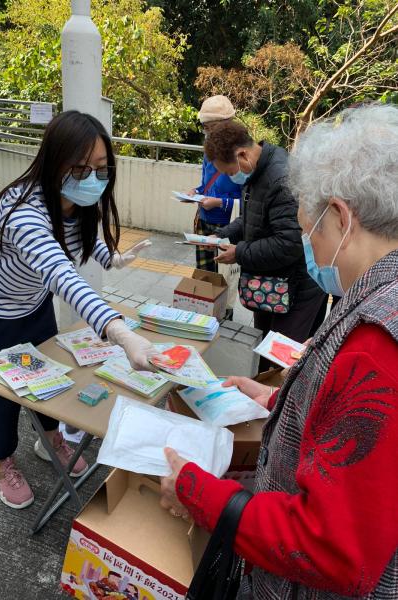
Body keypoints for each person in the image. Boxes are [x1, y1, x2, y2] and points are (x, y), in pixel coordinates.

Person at [160, 104, 398, 598]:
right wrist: (275, 399)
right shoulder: (376, 298)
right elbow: (351, 431)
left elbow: (330, 545)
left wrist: (197, 491)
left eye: (311, 229)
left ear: (341, 218)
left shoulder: (377, 343)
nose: (309, 243)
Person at [0, 110, 162, 509]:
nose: (94, 178)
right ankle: (0, 461)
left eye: (102, 168)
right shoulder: (23, 212)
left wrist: (113, 259)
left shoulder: (75, 199)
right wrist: (122, 334)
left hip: (32, 304)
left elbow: (77, 238)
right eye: (82, 168)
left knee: (51, 374)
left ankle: (50, 438)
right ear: (55, 162)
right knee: (0, 393)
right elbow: (61, 274)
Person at [205, 120, 325, 371]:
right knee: (263, 348)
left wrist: (240, 252)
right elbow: (253, 216)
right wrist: (223, 235)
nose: (231, 177)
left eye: (228, 172)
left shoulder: (281, 178)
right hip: (272, 283)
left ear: (242, 154)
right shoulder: (258, 169)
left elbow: (290, 242)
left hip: (296, 287)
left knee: (282, 361)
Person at [189, 95, 242, 275]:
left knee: (228, 276)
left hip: (229, 225)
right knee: (205, 273)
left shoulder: (243, 155)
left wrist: (218, 202)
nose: (206, 132)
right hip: (204, 221)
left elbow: (250, 202)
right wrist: (195, 192)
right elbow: (206, 185)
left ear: (225, 124)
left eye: (209, 127)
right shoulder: (208, 149)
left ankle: (224, 305)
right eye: (205, 128)